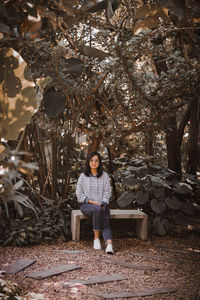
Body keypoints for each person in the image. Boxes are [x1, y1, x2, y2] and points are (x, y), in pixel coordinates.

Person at [76, 151, 114, 254]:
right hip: (87, 206)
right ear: (88, 162)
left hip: (102, 204)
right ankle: (96, 238)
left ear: (99, 162)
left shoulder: (104, 176)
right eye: (92, 160)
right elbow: (79, 195)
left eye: (96, 160)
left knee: (104, 214)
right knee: (98, 209)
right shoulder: (83, 176)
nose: (94, 162)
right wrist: (93, 202)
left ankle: (109, 244)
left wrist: (102, 202)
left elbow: (108, 192)